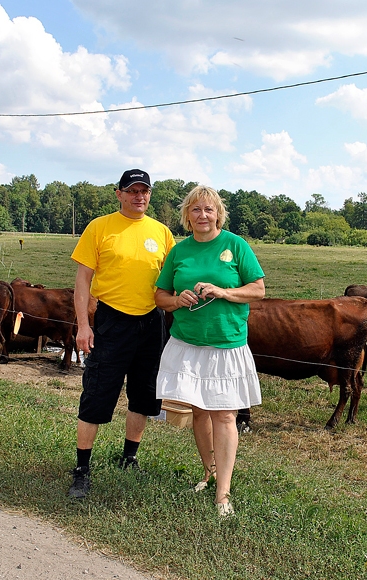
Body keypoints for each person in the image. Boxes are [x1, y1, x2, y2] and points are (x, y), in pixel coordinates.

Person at [153, 185, 265, 518]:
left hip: (226, 343)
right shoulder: (179, 250)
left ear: (219, 214)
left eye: (209, 210)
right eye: (196, 210)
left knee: (225, 414)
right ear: (187, 215)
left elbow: (258, 290)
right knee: (199, 411)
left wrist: (222, 290)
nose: (203, 215)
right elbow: (160, 296)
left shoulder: (235, 245)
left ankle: (223, 494)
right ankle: (209, 472)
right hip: (187, 343)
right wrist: (177, 300)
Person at [68, 169, 176, 499]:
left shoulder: (162, 232)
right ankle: (82, 468)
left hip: (151, 321)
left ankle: (129, 457)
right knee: (98, 392)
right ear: (119, 194)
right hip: (112, 321)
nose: (138, 196)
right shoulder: (100, 228)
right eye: (132, 191)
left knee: (144, 395)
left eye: (144, 191)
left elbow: (174, 277)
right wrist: (84, 326)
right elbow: (83, 281)